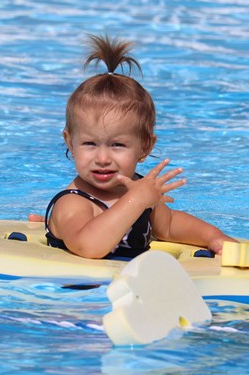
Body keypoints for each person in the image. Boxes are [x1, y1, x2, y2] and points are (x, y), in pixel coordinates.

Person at [44, 34, 235, 259]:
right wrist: (136, 201)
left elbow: (169, 226)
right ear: (70, 142)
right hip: (76, 290)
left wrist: (213, 236)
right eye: (89, 144)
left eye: (117, 145)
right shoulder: (73, 202)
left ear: (145, 147)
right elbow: (87, 247)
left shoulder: (140, 190)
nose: (103, 158)